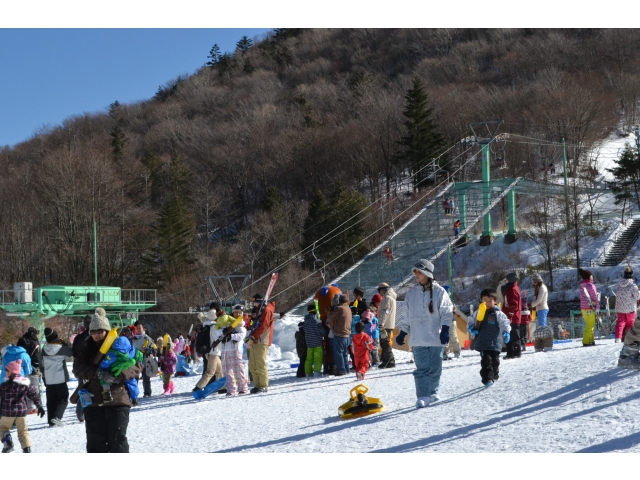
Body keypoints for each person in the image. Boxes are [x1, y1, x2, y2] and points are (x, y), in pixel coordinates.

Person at [73, 307, 141, 453]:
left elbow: (136, 366)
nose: (97, 335)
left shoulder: (120, 346)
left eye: (100, 331)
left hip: (118, 399)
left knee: (117, 441)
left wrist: (117, 374)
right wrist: (97, 373)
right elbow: (78, 369)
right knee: (95, 443)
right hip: (93, 401)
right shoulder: (85, 348)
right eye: (93, 332)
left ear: (107, 331)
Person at [396, 259, 453, 408]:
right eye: (414, 271)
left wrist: (445, 329)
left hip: (435, 336)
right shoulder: (411, 293)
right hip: (417, 338)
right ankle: (422, 396)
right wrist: (403, 332)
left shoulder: (440, 292)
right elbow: (406, 315)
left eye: (418, 271)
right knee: (421, 369)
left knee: (435, 367)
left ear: (427, 273)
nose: (415, 274)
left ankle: (433, 392)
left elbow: (447, 312)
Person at [467, 289, 511, 387]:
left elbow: (505, 322)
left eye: (490, 300)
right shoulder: (478, 312)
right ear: (481, 300)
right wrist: (471, 328)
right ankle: (487, 378)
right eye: (485, 299)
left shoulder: (498, 313)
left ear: (495, 301)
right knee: (486, 361)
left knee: (495, 361)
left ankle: (494, 375)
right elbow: (470, 321)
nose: (487, 302)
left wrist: (506, 332)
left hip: (495, 342)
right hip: (483, 343)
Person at [0, 359, 45, 453]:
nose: (6, 372)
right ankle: (27, 450)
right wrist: (39, 406)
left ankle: (7, 441)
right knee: (23, 432)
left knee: (3, 428)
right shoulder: (26, 384)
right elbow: (34, 395)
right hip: (21, 412)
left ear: (10, 372)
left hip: (7, 412)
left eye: (7, 370)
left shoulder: (4, 386)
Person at [41, 328, 73, 427]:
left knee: (51, 400)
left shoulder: (44, 349)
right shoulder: (61, 348)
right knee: (63, 399)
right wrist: (64, 344)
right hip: (60, 378)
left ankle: (51, 420)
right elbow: (71, 353)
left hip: (49, 378)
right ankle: (57, 417)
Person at [214, 305, 249, 396]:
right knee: (227, 371)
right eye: (236, 312)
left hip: (236, 349)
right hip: (225, 349)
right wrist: (224, 332)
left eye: (240, 312)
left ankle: (243, 388)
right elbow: (217, 332)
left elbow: (242, 334)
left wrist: (232, 336)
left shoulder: (241, 323)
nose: (237, 314)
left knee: (238, 370)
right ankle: (231, 389)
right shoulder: (226, 321)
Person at [246, 299, 276, 393]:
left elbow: (263, 326)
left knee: (260, 363)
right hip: (255, 340)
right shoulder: (259, 310)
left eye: (255, 302)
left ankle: (263, 385)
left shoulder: (266, 310)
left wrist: (253, 336)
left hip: (261, 340)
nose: (254, 304)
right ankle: (257, 385)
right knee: (252, 364)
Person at [193, 307, 223, 393]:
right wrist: (223, 349)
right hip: (213, 352)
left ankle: (222, 387)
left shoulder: (205, 326)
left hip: (210, 352)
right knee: (210, 371)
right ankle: (198, 387)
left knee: (220, 371)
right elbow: (216, 340)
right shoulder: (213, 327)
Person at [16, 326, 42, 412]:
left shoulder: (22, 340)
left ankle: (27, 406)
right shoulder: (34, 342)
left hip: (21, 366)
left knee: (24, 386)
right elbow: (36, 356)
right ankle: (31, 408)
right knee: (34, 387)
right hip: (32, 367)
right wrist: (37, 365)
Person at [72, 315, 92, 421]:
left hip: (80, 367)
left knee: (82, 389)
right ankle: (84, 412)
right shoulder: (94, 336)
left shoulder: (78, 337)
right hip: (90, 367)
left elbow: (74, 352)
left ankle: (80, 414)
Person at [327, 294, 352, 376]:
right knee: (345, 353)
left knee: (338, 353)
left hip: (339, 334)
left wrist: (329, 312)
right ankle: (346, 369)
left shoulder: (339, 308)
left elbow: (330, 318)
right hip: (347, 334)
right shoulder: (348, 308)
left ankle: (341, 370)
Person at [614, 267, 640, 343]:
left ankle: (618, 338)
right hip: (630, 309)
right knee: (630, 323)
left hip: (620, 308)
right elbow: (637, 297)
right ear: (632, 275)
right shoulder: (633, 286)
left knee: (620, 323)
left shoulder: (619, 285)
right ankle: (629, 338)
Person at [132, 322, 156, 397]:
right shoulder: (132, 338)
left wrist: (147, 349)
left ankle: (147, 393)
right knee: (134, 379)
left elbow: (154, 350)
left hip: (145, 361)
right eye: (137, 328)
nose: (138, 329)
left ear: (143, 329)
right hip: (134, 362)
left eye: (140, 328)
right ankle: (133, 394)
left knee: (146, 378)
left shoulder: (147, 338)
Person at [501, 273, 522, 359]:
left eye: (507, 280)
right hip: (510, 316)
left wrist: (510, 315)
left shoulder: (512, 290)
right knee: (509, 334)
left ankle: (516, 352)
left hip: (512, 317)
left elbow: (514, 305)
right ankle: (510, 352)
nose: (506, 281)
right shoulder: (511, 289)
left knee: (513, 335)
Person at [377, 282, 397, 369]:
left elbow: (386, 311)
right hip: (389, 323)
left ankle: (389, 360)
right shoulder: (391, 297)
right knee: (384, 341)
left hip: (385, 324)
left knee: (384, 342)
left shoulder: (387, 298)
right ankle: (387, 359)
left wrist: (381, 323)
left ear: (383, 290)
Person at [303, 303, 324, 378]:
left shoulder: (305, 321)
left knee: (309, 358)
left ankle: (308, 373)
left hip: (309, 343)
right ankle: (317, 372)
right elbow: (323, 332)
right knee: (317, 358)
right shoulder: (316, 321)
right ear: (315, 311)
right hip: (317, 342)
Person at [578, 268, 599, 347]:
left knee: (590, 324)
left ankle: (591, 340)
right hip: (590, 307)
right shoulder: (590, 285)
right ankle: (586, 340)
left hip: (583, 307)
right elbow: (594, 297)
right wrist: (597, 307)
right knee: (590, 324)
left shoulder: (582, 285)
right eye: (591, 276)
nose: (592, 277)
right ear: (589, 277)